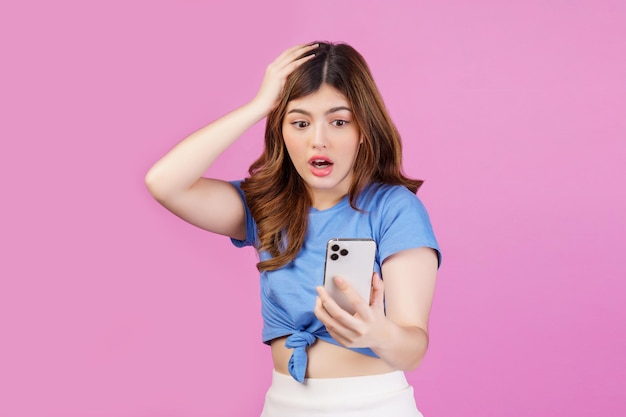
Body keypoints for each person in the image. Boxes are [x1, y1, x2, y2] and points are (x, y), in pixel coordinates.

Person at [145, 41, 441, 417]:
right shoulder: (266, 207)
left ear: (363, 130)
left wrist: (376, 333)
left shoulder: (395, 208)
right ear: (281, 132)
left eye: (339, 121)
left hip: (373, 405)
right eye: (300, 122)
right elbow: (165, 182)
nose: (319, 139)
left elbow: (413, 348)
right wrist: (258, 106)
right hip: (284, 404)